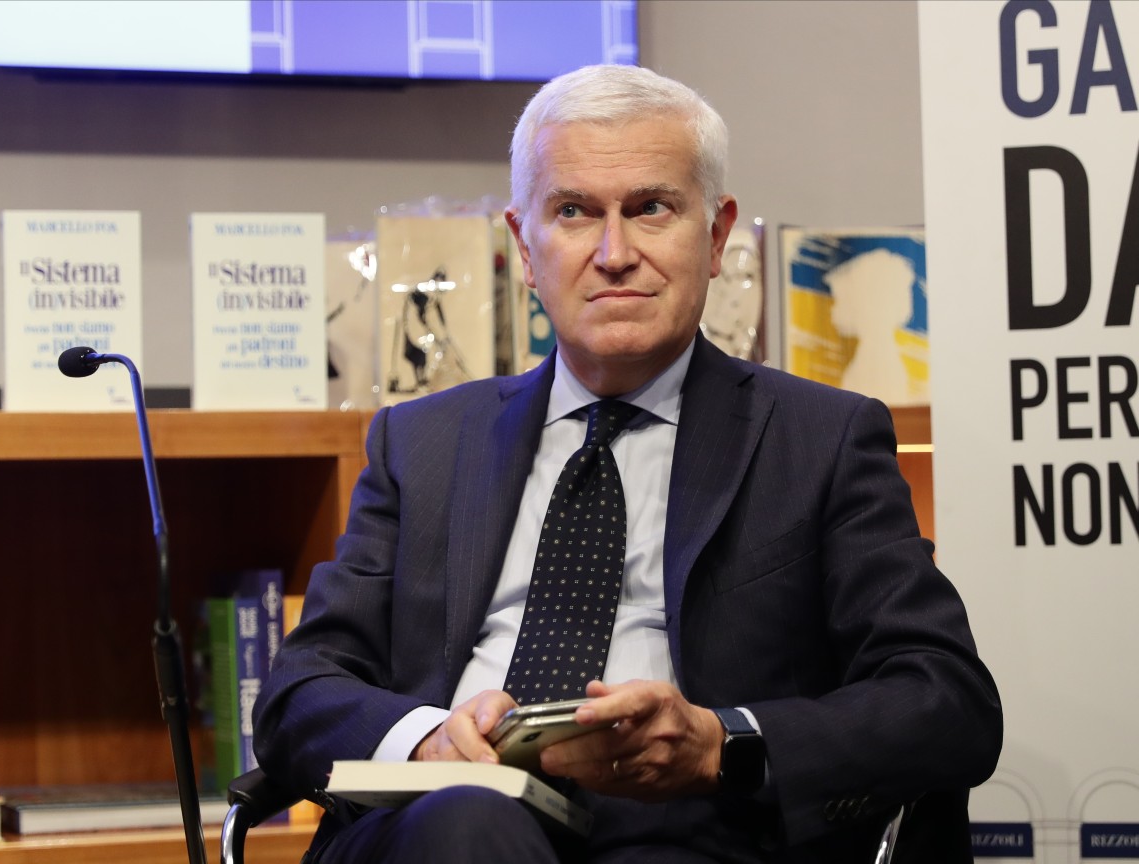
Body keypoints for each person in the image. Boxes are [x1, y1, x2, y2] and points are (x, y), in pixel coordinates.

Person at [253, 64, 1002, 864]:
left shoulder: (821, 440)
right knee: (470, 822)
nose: (614, 254)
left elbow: (946, 699)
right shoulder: (422, 443)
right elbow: (300, 690)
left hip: (690, 835)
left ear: (716, 236)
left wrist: (722, 742)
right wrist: (428, 740)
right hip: (440, 829)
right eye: (574, 212)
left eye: (651, 209)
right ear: (525, 247)